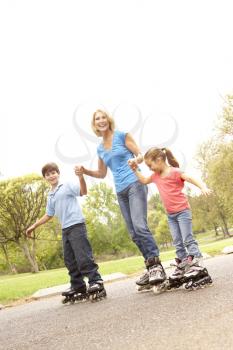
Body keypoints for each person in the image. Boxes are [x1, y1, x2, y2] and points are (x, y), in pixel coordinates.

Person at [75, 109, 166, 289]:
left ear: (108, 120)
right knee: (133, 232)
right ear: (94, 124)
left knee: (140, 226)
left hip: (135, 183)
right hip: (120, 191)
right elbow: (101, 174)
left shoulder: (122, 136)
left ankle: (156, 266)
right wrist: (85, 171)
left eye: (103, 117)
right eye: (97, 119)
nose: (101, 120)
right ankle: (150, 266)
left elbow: (140, 155)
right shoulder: (100, 148)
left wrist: (136, 161)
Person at [128, 147, 212, 288]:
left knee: (187, 239)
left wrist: (203, 187)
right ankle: (184, 264)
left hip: (183, 212)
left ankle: (197, 263)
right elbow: (143, 180)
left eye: (150, 165)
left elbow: (190, 178)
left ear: (159, 160)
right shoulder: (155, 176)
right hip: (171, 215)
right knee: (177, 241)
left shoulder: (175, 172)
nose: (150, 169)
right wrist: (135, 169)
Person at [26, 162, 106, 301]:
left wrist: (81, 177)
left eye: (53, 173)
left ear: (58, 173)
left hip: (76, 225)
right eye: (48, 174)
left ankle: (96, 281)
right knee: (69, 260)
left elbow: (83, 192)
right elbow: (48, 214)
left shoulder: (67, 185)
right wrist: (34, 226)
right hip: (65, 229)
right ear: (45, 178)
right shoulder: (51, 195)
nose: (51, 176)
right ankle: (78, 286)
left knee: (83, 257)